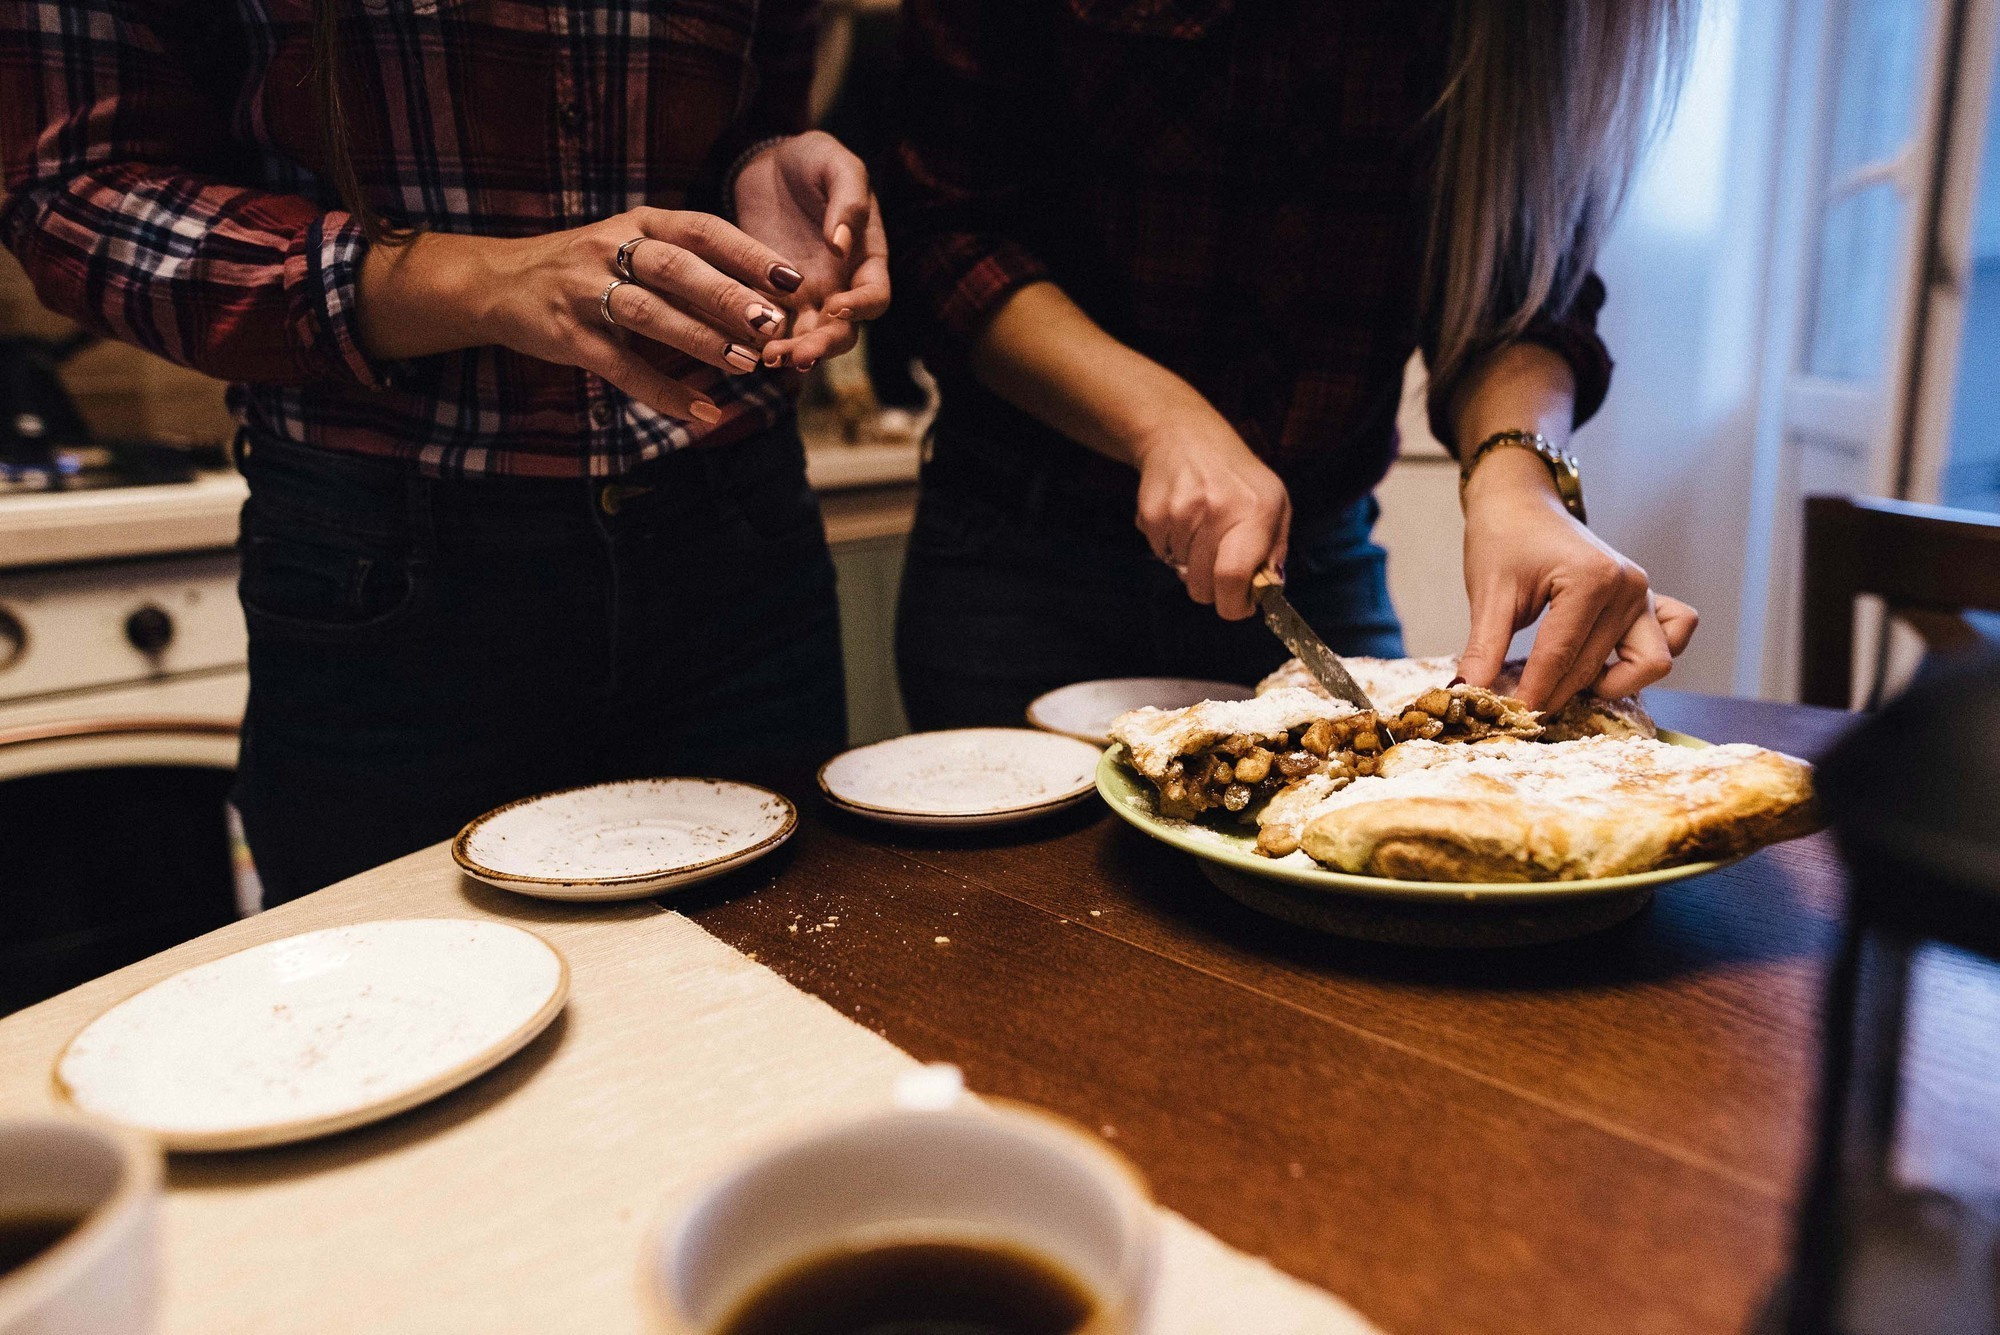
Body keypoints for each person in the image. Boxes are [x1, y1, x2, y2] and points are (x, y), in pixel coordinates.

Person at [0, 0, 889, 903]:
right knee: (396, 1007)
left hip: (739, 539)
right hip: (388, 561)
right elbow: (75, 191)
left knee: (778, 990)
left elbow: (752, 106)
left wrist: (765, 163)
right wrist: (479, 280)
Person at [883, 0, 1700, 729]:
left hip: (1314, 563)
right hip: (1020, 561)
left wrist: (1517, 481)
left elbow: (1528, 294)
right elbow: (945, 227)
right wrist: (1162, 420)